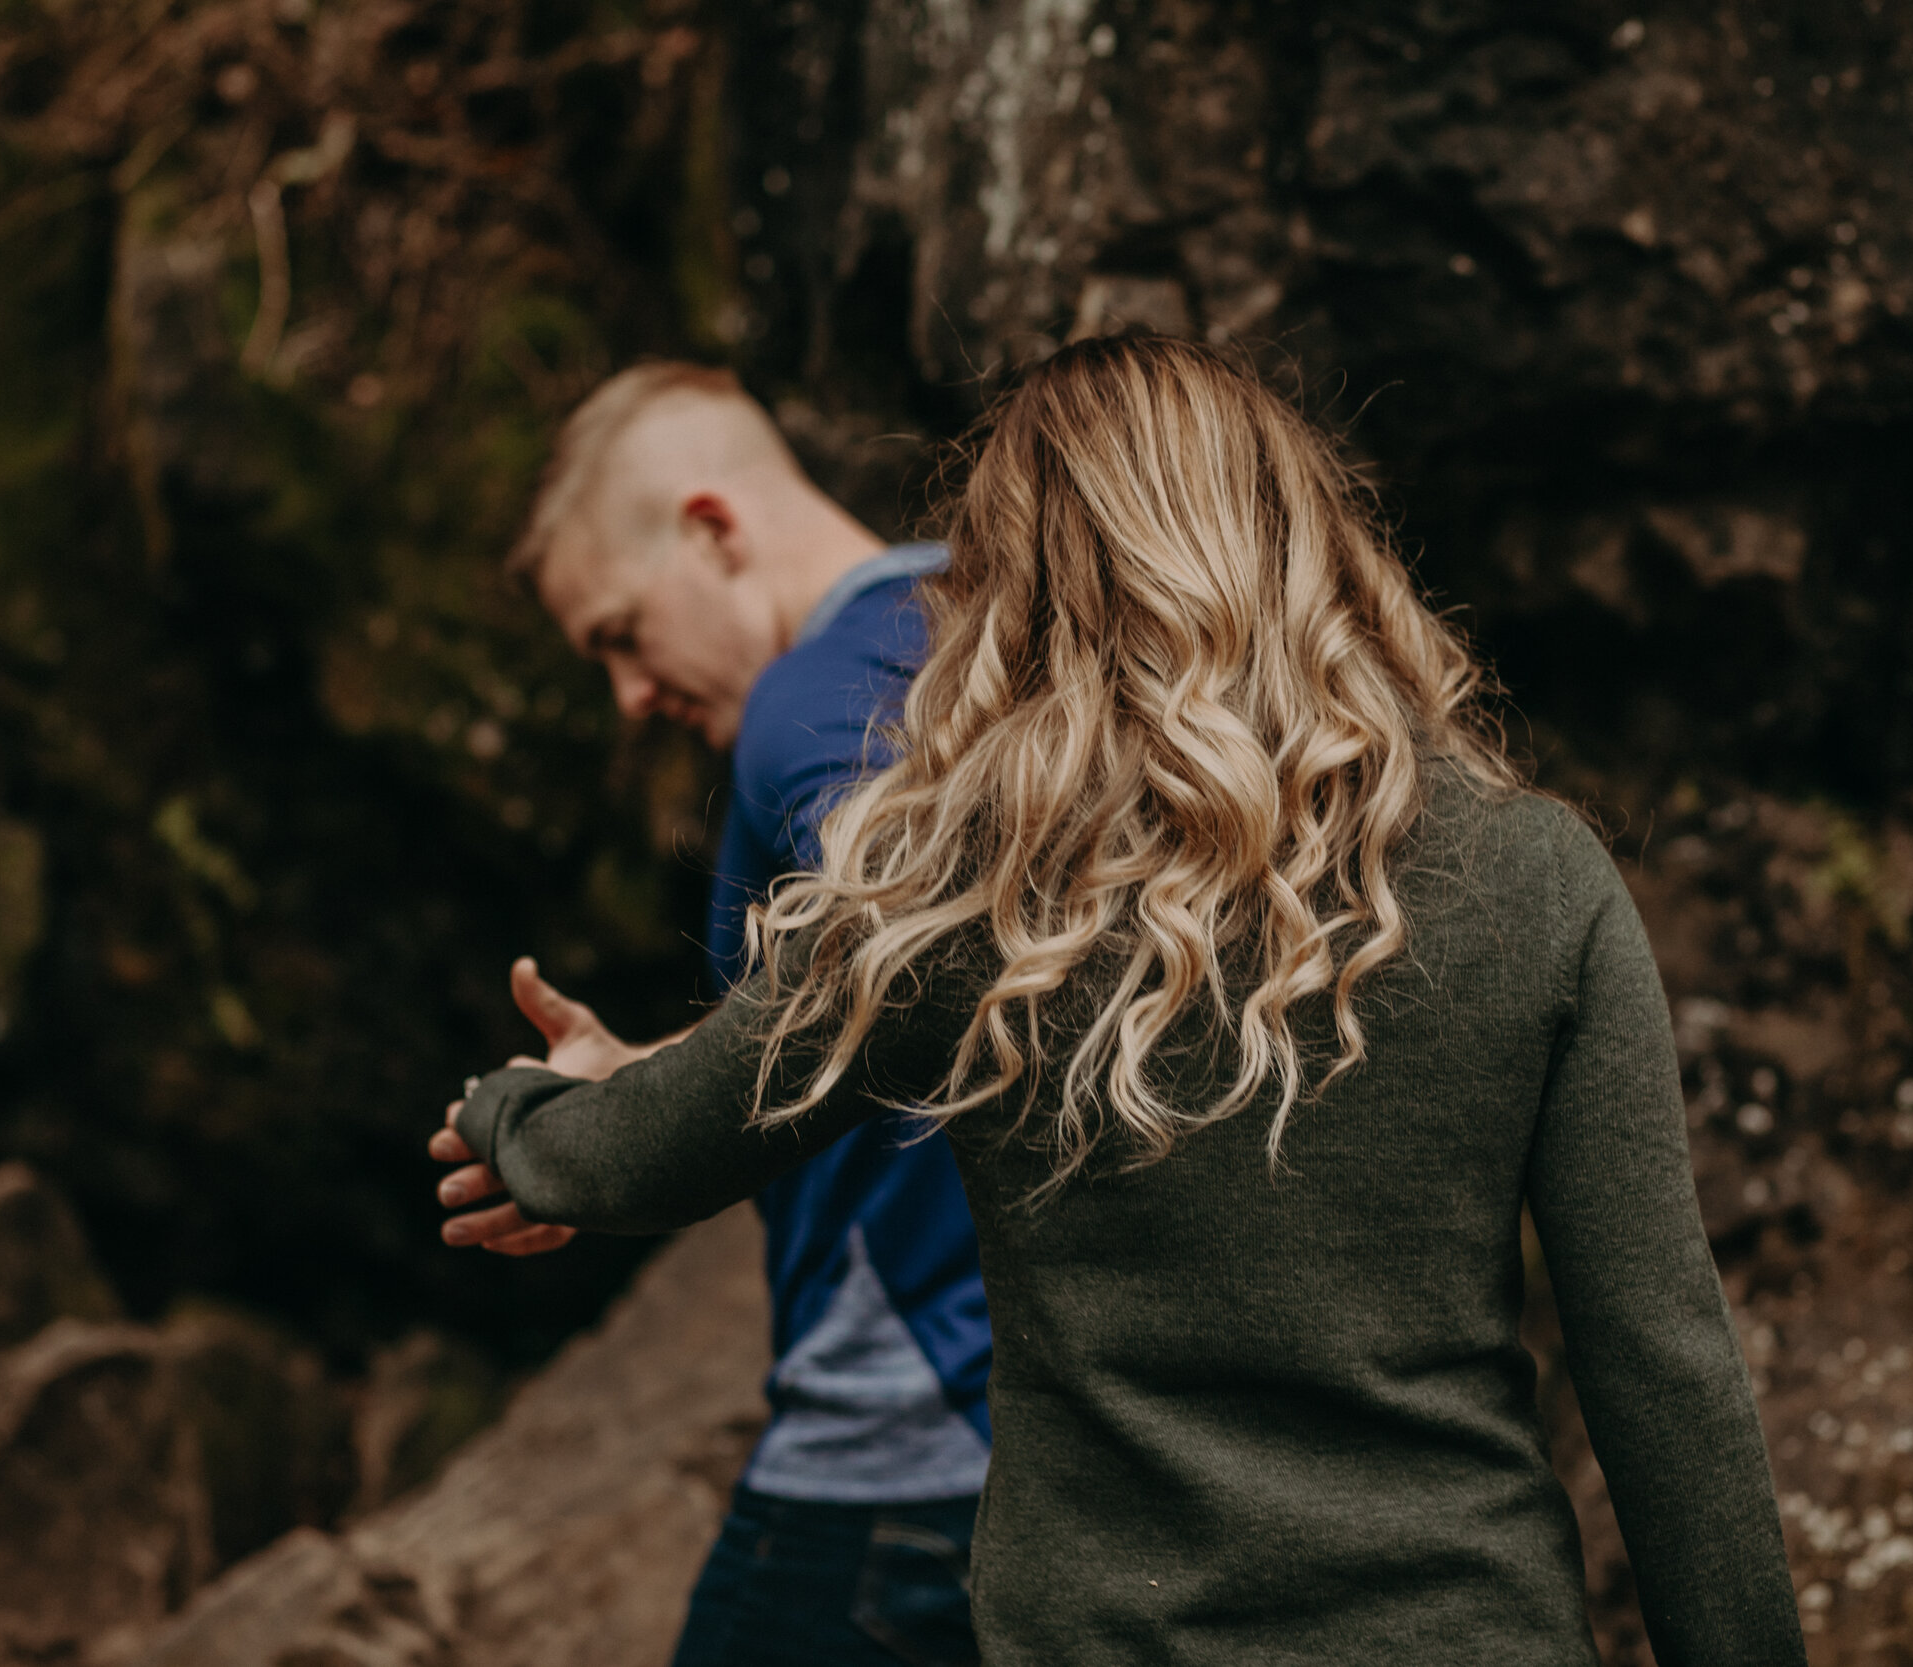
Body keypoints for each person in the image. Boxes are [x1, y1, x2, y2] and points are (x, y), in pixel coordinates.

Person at [433, 335, 1805, 1664]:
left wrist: (517, 1113)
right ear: (1308, 543)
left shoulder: (960, 902)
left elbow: (635, 1152)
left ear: (1012, 590)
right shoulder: (1539, 879)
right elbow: (1662, 1371)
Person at [441, 362, 990, 1667]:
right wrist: (649, 1072)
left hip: (898, 1447)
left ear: (713, 529)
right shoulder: (1015, 636)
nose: (628, 697)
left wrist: (612, 1143)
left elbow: (919, 930)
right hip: (1075, 1444)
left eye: (620, 634)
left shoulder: (813, 697)